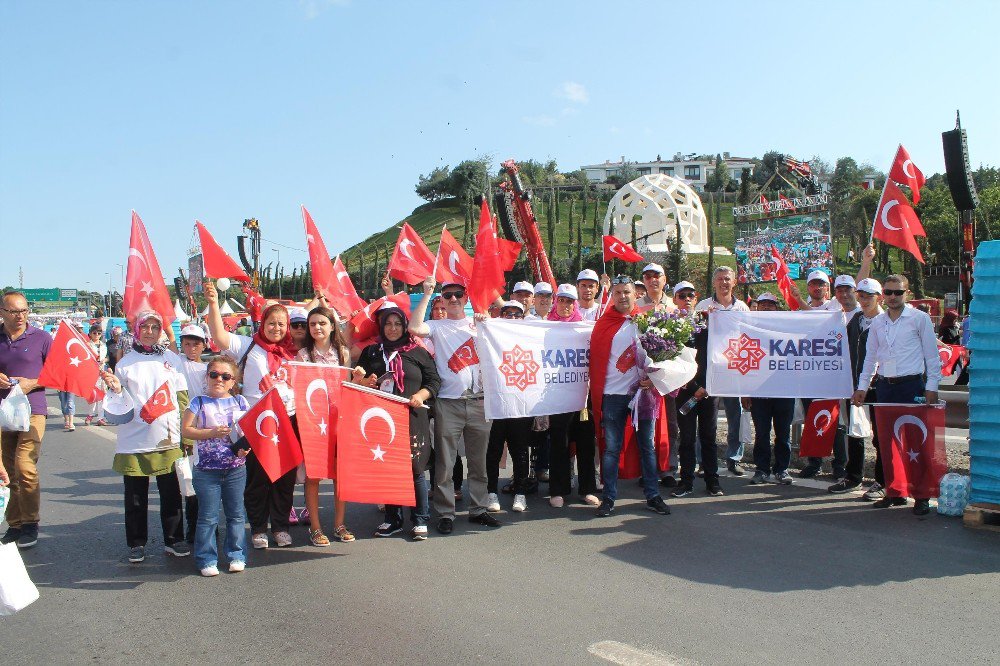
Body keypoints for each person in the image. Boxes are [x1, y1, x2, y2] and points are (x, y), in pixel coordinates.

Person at [203, 281, 298, 549]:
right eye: (272, 323)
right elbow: (220, 336)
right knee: (258, 478)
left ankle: (280, 526)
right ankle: (258, 528)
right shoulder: (248, 345)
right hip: (257, 422)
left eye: (282, 324)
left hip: (288, 421)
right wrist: (212, 303)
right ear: (263, 323)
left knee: (283, 478)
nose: (276, 328)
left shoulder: (293, 352)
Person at [409, 277, 499, 534]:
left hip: (480, 402)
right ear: (442, 301)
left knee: (478, 461)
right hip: (449, 403)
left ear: (466, 298)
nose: (453, 299)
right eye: (447, 295)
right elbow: (415, 328)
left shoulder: (479, 324)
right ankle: (446, 513)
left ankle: (479, 509)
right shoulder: (436, 326)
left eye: (458, 294)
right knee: (446, 463)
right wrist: (426, 294)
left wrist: (487, 322)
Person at [100, 311, 191, 563]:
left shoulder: (172, 359)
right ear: (137, 330)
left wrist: (186, 434)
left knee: (171, 492)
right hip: (134, 437)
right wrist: (115, 388)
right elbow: (118, 402)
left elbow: (182, 398)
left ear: (161, 330)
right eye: (145, 327)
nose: (150, 331)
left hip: (168, 437)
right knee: (136, 495)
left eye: (155, 327)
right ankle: (136, 543)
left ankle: (174, 539)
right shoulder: (125, 363)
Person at [853, 274, 942, 515]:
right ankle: (895, 491)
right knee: (886, 442)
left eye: (897, 292)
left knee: (916, 441)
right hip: (885, 387)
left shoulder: (919, 319)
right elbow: (870, 358)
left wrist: (931, 387)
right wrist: (862, 387)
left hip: (911, 386)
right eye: (889, 292)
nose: (893, 297)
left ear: (907, 293)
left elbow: (932, 356)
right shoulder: (878, 323)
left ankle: (922, 495)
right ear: (883, 294)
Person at [356, 304, 440, 540]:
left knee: (415, 470)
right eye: (388, 324)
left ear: (405, 326)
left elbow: (434, 381)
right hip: (382, 420)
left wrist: (420, 396)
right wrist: (364, 382)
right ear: (381, 327)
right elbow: (356, 383)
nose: (392, 328)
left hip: (412, 418)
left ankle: (420, 518)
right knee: (388, 469)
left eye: (397, 324)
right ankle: (392, 519)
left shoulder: (416, 351)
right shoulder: (371, 352)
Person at [590, 276, 671, 517]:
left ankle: (653, 495)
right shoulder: (604, 324)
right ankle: (609, 498)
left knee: (647, 446)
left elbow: (663, 356)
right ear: (612, 296)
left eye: (626, 292)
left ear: (635, 293)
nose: (623, 296)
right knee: (612, 448)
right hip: (613, 395)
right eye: (618, 293)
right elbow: (596, 360)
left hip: (643, 394)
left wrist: (653, 378)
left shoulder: (647, 322)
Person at [180, 356, 250, 576]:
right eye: (214, 374)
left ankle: (236, 555)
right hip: (206, 470)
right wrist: (210, 433)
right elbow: (186, 430)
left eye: (225, 376)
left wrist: (246, 449)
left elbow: (249, 434)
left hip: (235, 469)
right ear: (207, 377)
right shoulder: (198, 402)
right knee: (208, 517)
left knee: (236, 515)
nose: (219, 379)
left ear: (233, 381)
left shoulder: (241, 402)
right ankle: (206, 559)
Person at [296, 305, 355, 545]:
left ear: (333, 326)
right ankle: (316, 527)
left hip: (340, 421)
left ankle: (340, 524)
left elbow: (349, 388)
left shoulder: (343, 353)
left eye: (322, 323)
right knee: (314, 476)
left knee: (341, 474)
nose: (317, 328)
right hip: (313, 423)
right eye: (312, 324)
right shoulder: (302, 356)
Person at [0, 291, 52, 549]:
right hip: (3, 412)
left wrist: (33, 383)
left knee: (25, 465)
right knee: (7, 472)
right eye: (13, 311)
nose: (20, 316)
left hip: (33, 409)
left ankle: (31, 522)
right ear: (2, 312)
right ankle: (15, 524)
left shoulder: (42, 338)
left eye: (24, 310)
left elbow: (57, 374)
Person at [546, 284, 600, 508]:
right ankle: (558, 489)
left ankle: (587, 488)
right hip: (556, 395)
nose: (565, 305)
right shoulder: (545, 328)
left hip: (582, 396)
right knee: (559, 442)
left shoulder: (584, 328)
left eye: (569, 301)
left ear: (574, 303)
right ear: (555, 302)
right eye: (561, 301)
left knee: (586, 441)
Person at [830, 278, 884, 496]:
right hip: (855, 385)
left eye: (868, 296)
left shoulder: (887, 321)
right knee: (855, 433)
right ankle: (853, 477)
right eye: (861, 295)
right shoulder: (856, 320)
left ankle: (882, 481)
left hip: (881, 386)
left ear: (878, 297)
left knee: (881, 436)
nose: (863, 300)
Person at [695, 266, 749, 477]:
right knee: (707, 418)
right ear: (714, 282)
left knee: (735, 416)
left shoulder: (742, 308)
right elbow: (695, 336)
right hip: (710, 370)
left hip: (734, 369)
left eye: (727, 279)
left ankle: (734, 458)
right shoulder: (703, 306)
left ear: (734, 282)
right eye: (719, 279)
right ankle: (703, 461)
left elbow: (748, 337)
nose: (723, 283)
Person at [672, 283, 724, 498]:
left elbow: (719, 354)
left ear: (696, 298)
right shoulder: (670, 326)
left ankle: (713, 481)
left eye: (690, 295)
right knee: (686, 439)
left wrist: (706, 386)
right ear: (674, 299)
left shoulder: (709, 322)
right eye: (681, 296)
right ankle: (686, 481)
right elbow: (671, 360)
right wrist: (693, 387)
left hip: (709, 388)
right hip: (685, 390)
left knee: (709, 437)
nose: (686, 299)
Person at [483, 301, 534, 513]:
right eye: (507, 313)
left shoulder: (531, 337)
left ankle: (520, 493)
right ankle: (491, 492)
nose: (512, 317)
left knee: (520, 450)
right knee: (493, 450)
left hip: (521, 403)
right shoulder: (490, 335)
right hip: (497, 402)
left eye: (516, 314)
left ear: (523, 317)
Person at [742, 294, 796, 485]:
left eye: (770, 304)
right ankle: (761, 469)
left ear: (777, 308)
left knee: (783, 433)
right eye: (762, 303)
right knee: (762, 433)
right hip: (759, 391)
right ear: (756, 307)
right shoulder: (750, 329)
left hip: (784, 390)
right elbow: (745, 362)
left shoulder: (787, 327)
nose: (766, 307)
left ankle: (782, 469)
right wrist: (745, 392)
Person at [84, 324, 109, 426]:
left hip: (102, 373)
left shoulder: (103, 345)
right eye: (94, 333)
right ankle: (90, 414)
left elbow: (107, 357)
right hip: (91, 373)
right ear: (90, 334)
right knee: (93, 396)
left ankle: (101, 417)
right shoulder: (87, 345)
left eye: (99, 333)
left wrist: (105, 360)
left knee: (102, 395)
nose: (97, 335)